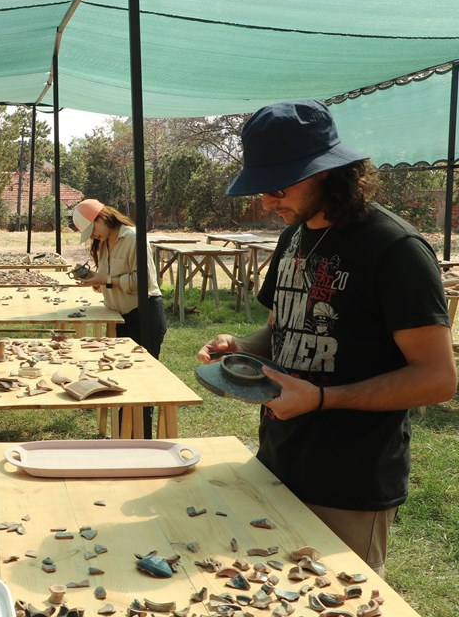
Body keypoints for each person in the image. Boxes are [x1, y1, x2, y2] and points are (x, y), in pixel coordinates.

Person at [195, 99, 456, 575]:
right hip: (278, 458)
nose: (267, 203)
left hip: (350, 482)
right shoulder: (293, 234)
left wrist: (319, 399)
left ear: (328, 172)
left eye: (277, 186)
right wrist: (242, 347)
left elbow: (437, 379)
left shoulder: (395, 247)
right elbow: (280, 329)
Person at [71, 198, 167, 438]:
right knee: (120, 381)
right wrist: (95, 280)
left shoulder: (133, 238)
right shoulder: (103, 244)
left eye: (92, 230)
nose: (93, 236)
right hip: (120, 318)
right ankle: (123, 438)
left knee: (142, 383)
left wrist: (105, 281)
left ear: (102, 217)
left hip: (144, 315)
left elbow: (143, 283)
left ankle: (143, 441)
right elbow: (108, 278)